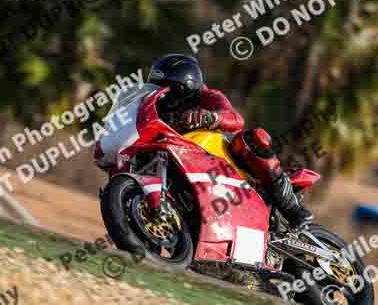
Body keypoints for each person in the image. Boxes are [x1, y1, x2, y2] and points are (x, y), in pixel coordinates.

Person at [96, 53, 313, 227]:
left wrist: (211, 117)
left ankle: (291, 207)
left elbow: (236, 119)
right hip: (175, 158)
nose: (164, 93)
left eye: (170, 87)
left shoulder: (207, 96)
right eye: (158, 86)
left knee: (250, 139)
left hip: (216, 159)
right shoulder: (156, 105)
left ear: (186, 86)